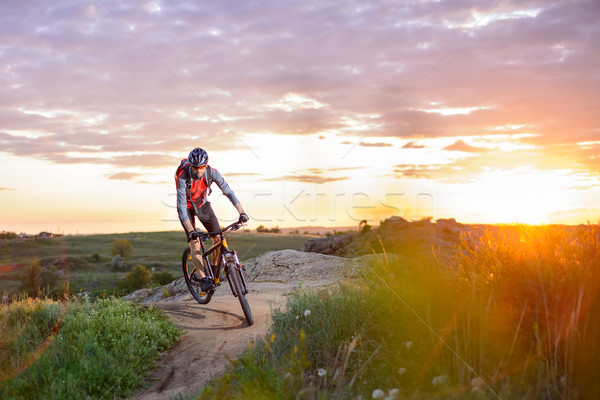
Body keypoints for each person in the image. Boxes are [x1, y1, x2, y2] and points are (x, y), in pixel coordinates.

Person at [175, 147, 249, 292]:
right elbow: (182, 207)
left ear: (206, 164)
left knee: (218, 237)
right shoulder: (183, 176)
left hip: (202, 206)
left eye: (201, 167)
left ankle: (214, 272)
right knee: (195, 243)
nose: (198, 170)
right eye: (195, 167)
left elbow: (228, 192)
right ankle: (203, 279)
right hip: (187, 210)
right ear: (191, 165)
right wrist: (191, 231)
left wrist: (242, 213)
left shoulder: (212, 173)